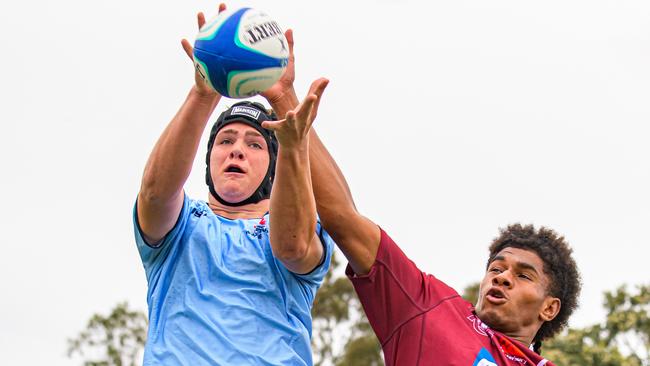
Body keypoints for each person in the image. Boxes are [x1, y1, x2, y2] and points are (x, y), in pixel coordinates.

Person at [271, 35, 582, 366]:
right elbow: (343, 219)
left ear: (549, 307)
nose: (501, 277)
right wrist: (284, 99)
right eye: (497, 268)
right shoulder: (432, 306)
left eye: (523, 275)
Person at [133, 6, 333, 365]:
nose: (237, 150)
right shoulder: (182, 226)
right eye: (225, 141)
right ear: (208, 159)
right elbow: (154, 193)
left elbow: (293, 248)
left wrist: (289, 129)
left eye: (254, 144)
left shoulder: (299, 221)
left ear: (274, 169)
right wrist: (204, 93)